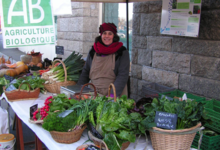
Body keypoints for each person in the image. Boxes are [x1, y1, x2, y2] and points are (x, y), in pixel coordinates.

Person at [77, 22, 130, 97]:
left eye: (110, 33)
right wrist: (78, 89)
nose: (107, 36)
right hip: (94, 93)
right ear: (101, 35)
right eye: (104, 33)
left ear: (114, 36)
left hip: (114, 93)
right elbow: (86, 71)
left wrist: (111, 95)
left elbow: (123, 75)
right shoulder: (93, 50)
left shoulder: (121, 52)